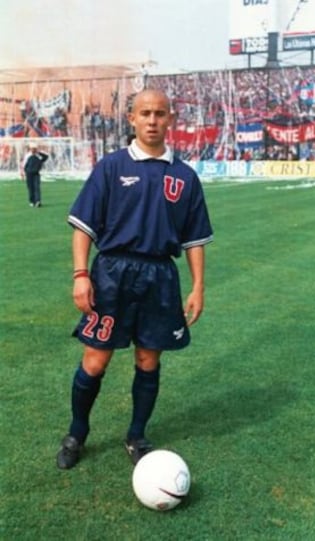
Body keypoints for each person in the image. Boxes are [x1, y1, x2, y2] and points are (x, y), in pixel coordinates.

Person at [56, 89, 213, 470]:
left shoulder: (184, 176)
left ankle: (137, 435)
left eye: (160, 113)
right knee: (95, 360)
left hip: (160, 276)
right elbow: (83, 228)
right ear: (132, 119)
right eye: (145, 113)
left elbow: (194, 240)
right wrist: (81, 275)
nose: (153, 120)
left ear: (171, 119)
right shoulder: (111, 167)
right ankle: (77, 432)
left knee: (148, 358)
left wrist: (197, 287)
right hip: (112, 272)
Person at [21, 142, 48, 207]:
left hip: (36, 174)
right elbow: (23, 165)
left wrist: (39, 152)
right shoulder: (28, 156)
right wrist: (22, 173)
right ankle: (31, 201)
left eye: (35, 148)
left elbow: (46, 157)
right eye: (32, 148)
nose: (33, 150)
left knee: (37, 187)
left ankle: (38, 201)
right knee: (30, 188)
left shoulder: (39, 156)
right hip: (29, 174)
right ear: (30, 149)